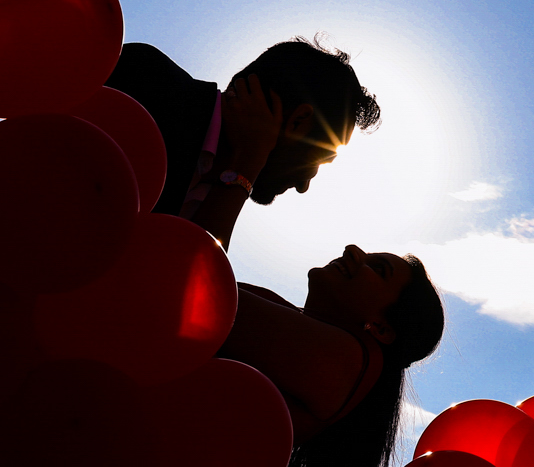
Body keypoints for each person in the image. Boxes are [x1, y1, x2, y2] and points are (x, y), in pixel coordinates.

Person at [104, 36, 381, 249]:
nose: (303, 186)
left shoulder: (216, 198)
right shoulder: (148, 82)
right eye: (322, 159)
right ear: (297, 122)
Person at [218, 244, 444, 467]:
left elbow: (205, 297)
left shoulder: (349, 361)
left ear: (381, 328)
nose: (352, 249)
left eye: (378, 269)